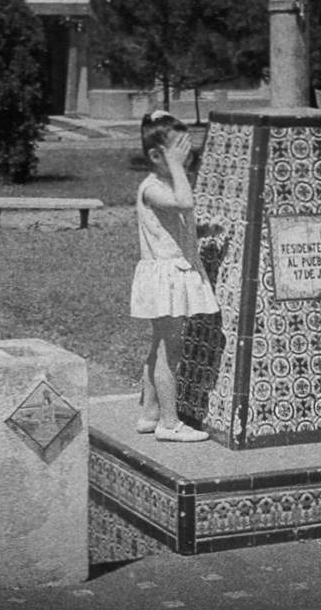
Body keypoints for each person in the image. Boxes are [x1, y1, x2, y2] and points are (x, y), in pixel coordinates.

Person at [130, 110, 219, 442]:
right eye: (180, 151)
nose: (188, 157)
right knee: (172, 349)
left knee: (159, 346)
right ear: (156, 156)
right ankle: (169, 423)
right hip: (166, 278)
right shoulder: (152, 187)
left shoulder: (163, 184)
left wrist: (203, 230)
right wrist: (179, 167)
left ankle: (150, 413)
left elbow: (178, 221)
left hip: (168, 275)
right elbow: (184, 202)